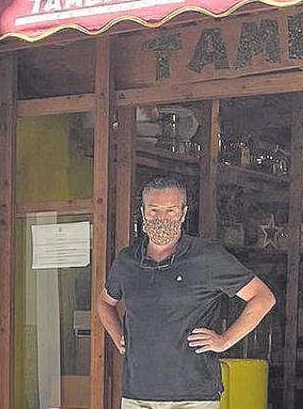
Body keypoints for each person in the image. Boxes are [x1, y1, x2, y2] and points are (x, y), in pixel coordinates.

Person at [96, 175, 276, 408]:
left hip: (194, 396)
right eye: (154, 210)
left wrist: (225, 341)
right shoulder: (127, 261)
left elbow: (262, 297)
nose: (162, 218)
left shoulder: (207, 257)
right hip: (137, 394)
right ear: (142, 212)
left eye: (170, 210)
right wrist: (118, 335)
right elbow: (104, 302)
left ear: (183, 213)